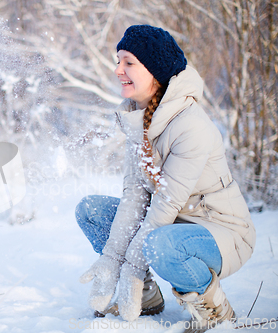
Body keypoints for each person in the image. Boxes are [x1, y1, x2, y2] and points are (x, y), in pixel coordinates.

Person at [76, 25, 255, 332]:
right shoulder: (139, 119)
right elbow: (135, 195)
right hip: (171, 225)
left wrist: (132, 264)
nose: (118, 69)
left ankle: (215, 309)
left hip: (218, 230)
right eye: (118, 61)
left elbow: (167, 202)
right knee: (91, 210)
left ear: (155, 70)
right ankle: (144, 296)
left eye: (128, 62)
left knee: (159, 243)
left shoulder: (190, 125)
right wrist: (112, 257)